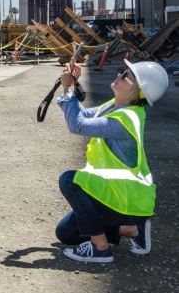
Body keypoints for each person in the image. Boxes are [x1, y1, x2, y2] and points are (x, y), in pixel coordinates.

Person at [55, 59, 169, 263]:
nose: (119, 74)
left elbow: (77, 125)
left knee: (69, 180)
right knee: (66, 233)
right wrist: (74, 84)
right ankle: (132, 229)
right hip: (116, 195)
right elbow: (81, 116)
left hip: (126, 201)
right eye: (122, 71)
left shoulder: (124, 120)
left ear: (137, 90)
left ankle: (100, 247)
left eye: (126, 76)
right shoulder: (116, 107)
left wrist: (69, 89)